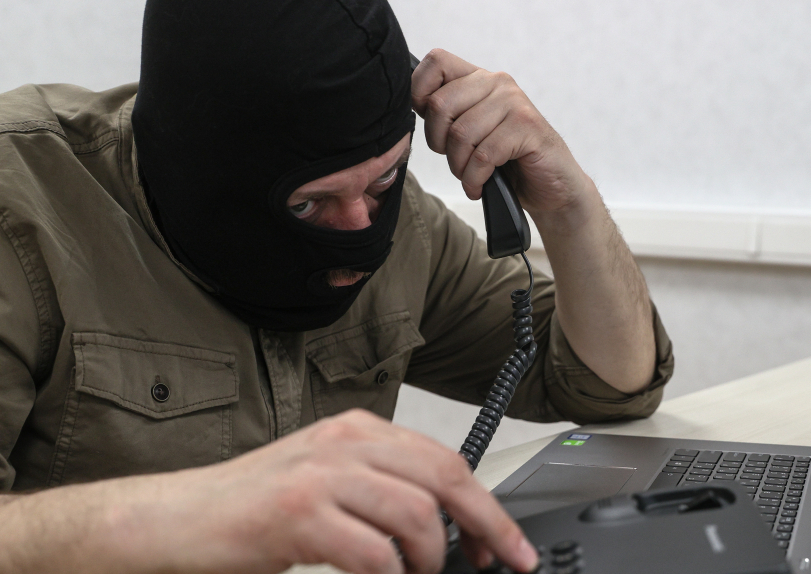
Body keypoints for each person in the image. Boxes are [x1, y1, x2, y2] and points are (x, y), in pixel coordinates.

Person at [0, 1, 674, 573]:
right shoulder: (23, 216)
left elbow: (607, 383)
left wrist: (568, 204)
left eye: (383, 181)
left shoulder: (403, 225)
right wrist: (205, 508)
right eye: (307, 203)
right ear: (203, 178)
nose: (360, 228)